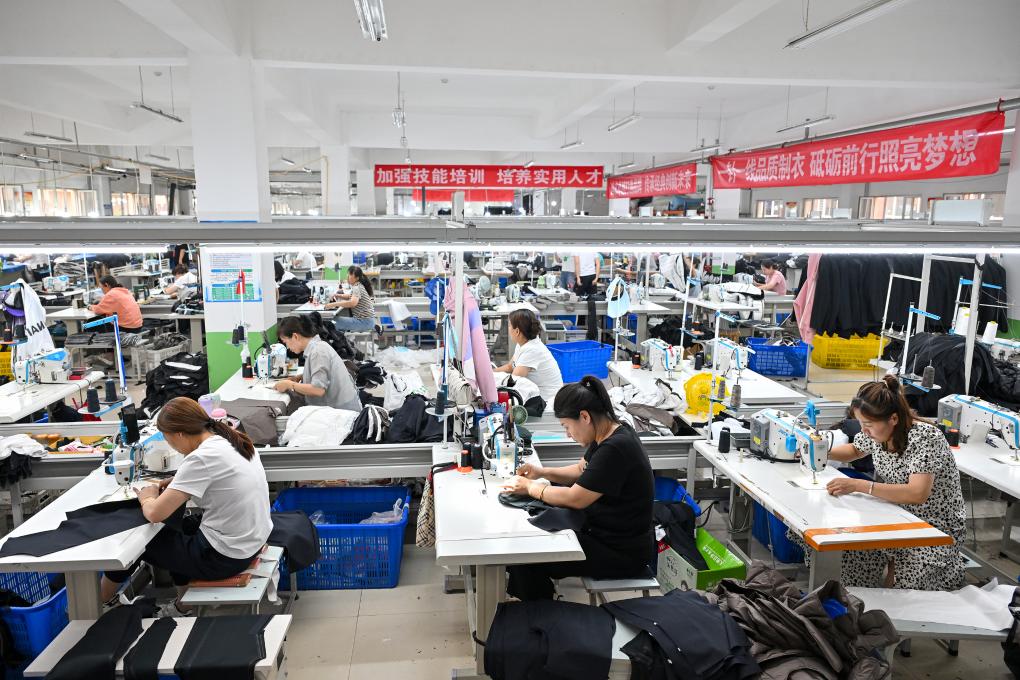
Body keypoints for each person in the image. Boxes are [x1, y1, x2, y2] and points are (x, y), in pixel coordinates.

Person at [99, 397, 272, 615]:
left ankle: (103, 601)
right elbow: (219, 476)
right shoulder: (230, 439)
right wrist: (179, 481)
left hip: (225, 558)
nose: (172, 446)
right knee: (178, 527)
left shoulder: (201, 458)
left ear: (180, 434)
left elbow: (154, 513)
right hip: (251, 542)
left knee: (138, 542)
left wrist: (147, 497)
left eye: (168, 439)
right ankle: (183, 604)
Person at [502, 377, 655, 600]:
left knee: (528, 556)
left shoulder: (616, 448)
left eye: (567, 426)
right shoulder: (610, 433)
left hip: (621, 551)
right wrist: (541, 472)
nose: (567, 434)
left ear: (584, 417)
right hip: (605, 533)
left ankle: (541, 614)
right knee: (531, 538)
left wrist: (531, 487)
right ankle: (536, 606)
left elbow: (575, 498)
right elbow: (580, 470)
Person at [824, 377, 966, 590]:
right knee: (851, 552)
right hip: (895, 514)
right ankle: (855, 601)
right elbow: (855, 450)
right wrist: (819, 450)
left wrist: (859, 485)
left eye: (868, 425)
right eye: (861, 424)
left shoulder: (926, 438)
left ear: (893, 418)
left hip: (933, 527)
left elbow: (917, 493)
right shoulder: (878, 433)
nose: (864, 430)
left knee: (903, 592)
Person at [274, 315, 361, 411]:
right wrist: (298, 378)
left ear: (295, 336)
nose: (287, 347)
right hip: (337, 408)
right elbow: (322, 373)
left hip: (342, 413)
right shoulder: (317, 346)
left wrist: (289, 385)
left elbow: (318, 390)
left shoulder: (318, 352)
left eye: (285, 342)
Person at [494, 309, 563, 410]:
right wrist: (490, 372)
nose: (508, 329)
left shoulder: (532, 350)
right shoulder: (524, 343)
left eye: (509, 326)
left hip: (547, 403)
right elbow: (510, 367)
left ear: (517, 331)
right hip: (538, 397)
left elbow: (512, 382)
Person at [325, 265, 376, 333]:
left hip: (364, 322)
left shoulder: (357, 287)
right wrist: (337, 295)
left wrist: (333, 304)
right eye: (348, 274)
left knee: (332, 321)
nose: (347, 277)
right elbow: (350, 296)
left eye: (350, 275)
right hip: (367, 321)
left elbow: (352, 303)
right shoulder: (358, 285)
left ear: (357, 278)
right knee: (334, 321)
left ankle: (340, 338)